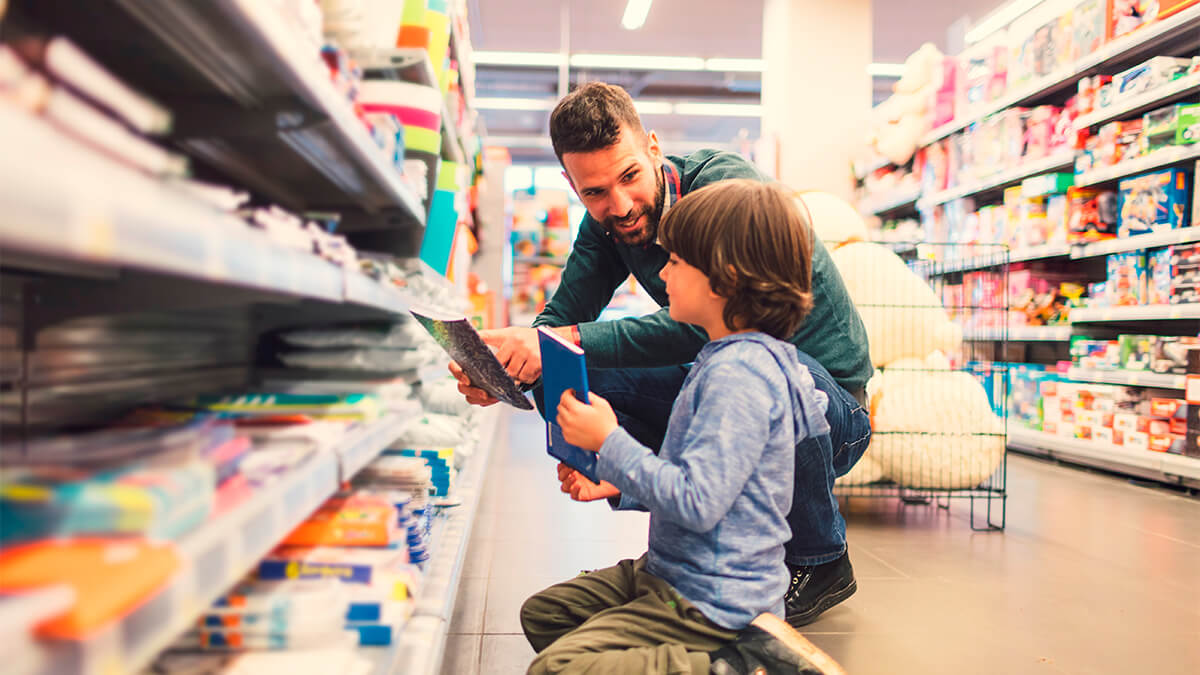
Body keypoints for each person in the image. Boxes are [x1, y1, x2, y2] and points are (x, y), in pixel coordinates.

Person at [452, 82, 872, 625]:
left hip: (829, 405)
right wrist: (511, 366)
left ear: (652, 147)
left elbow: (713, 332)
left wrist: (564, 340)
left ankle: (821, 559)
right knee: (572, 370)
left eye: (628, 176)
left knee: (775, 371)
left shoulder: (725, 194)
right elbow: (562, 318)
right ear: (572, 185)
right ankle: (670, 517)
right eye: (594, 192)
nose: (619, 206)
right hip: (729, 381)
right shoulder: (606, 224)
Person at [521, 179, 845, 675]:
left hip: (710, 601)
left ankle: (733, 663)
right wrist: (617, 477)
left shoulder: (740, 378)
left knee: (557, 668)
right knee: (547, 615)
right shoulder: (729, 359)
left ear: (726, 278)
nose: (663, 272)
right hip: (673, 569)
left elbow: (698, 501)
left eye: (675, 261)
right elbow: (717, 482)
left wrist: (611, 440)